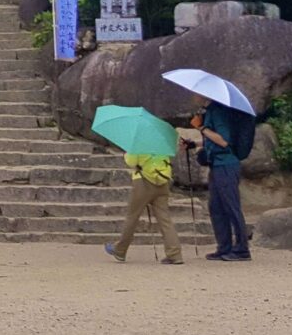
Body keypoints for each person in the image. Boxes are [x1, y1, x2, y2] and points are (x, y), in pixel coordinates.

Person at [191, 95, 256, 261]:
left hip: (226, 164)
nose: (192, 95)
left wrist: (202, 128)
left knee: (231, 206)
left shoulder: (219, 111)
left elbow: (223, 140)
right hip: (217, 164)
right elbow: (213, 141)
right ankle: (224, 246)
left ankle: (242, 249)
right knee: (216, 207)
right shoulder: (211, 111)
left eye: (194, 93)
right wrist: (195, 144)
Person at [103, 150, 183, 264]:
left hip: (143, 182)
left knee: (132, 216)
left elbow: (131, 162)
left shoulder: (139, 144)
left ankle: (120, 250)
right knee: (165, 219)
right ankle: (175, 254)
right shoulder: (162, 142)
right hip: (162, 182)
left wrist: (127, 153)